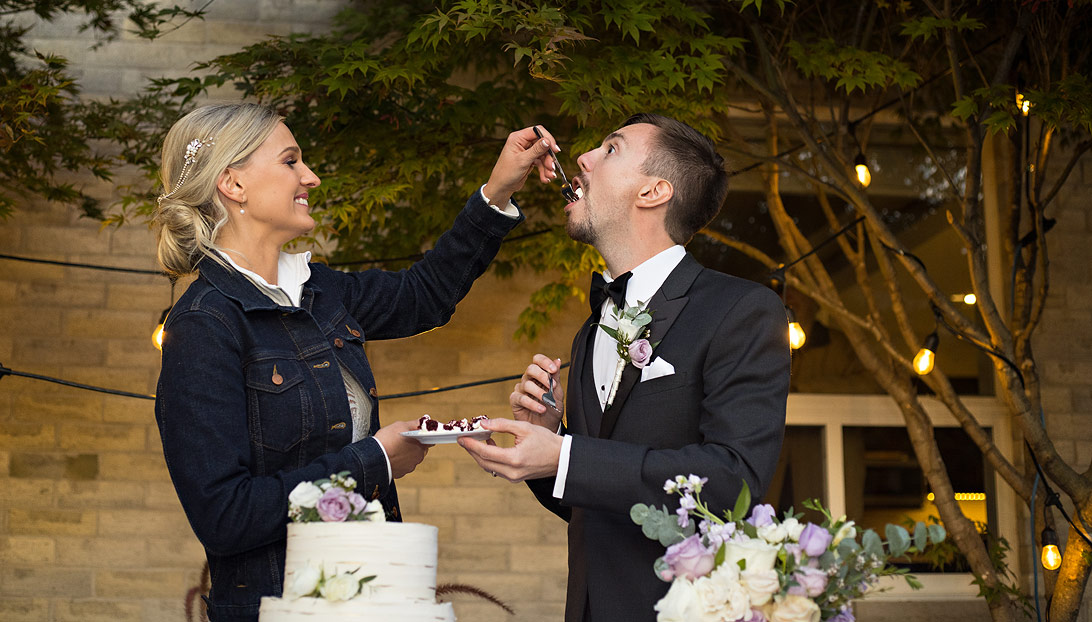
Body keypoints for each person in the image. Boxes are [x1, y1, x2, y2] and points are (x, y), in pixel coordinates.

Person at [152, 103, 561, 622]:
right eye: (290, 161)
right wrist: (377, 461)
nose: (311, 176)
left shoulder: (320, 291)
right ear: (233, 184)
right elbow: (225, 515)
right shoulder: (204, 325)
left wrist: (497, 190)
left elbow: (425, 295)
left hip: (376, 588)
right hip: (279, 606)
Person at [459, 113, 791, 622]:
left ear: (655, 191)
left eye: (609, 150)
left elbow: (732, 482)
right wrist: (549, 446)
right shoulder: (590, 331)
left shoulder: (741, 310)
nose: (583, 160)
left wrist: (567, 455)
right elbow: (597, 507)